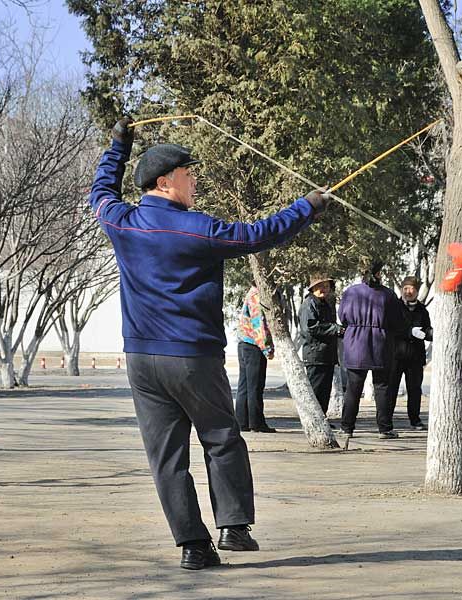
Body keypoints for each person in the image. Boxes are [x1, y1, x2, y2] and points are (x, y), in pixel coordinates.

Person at [89, 118, 330, 570]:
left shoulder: (121, 222)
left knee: (167, 458)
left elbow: (100, 190)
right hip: (193, 358)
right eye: (188, 174)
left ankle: (194, 548)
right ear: (165, 182)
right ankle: (234, 527)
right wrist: (308, 206)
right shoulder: (196, 229)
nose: (194, 180)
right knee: (222, 438)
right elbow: (259, 234)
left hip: (141, 360)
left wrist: (118, 145)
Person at [338, 259, 402, 439]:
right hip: (380, 345)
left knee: (353, 389)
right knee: (382, 388)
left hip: (354, 345)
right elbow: (397, 321)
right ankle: (384, 428)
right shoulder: (388, 295)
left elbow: (343, 316)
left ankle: (347, 428)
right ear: (378, 274)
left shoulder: (350, 292)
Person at [388, 276, 432, 430]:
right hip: (396, 355)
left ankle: (415, 419)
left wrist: (430, 334)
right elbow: (390, 328)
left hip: (415, 357)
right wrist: (409, 332)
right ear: (401, 290)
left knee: (414, 389)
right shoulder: (394, 307)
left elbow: (426, 328)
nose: (408, 292)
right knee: (391, 388)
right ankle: (386, 420)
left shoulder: (422, 310)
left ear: (417, 291)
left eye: (412, 289)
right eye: (405, 288)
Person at [298, 273, 342, 416]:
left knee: (324, 392)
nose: (324, 289)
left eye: (326, 286)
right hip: (315, 356)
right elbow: (311, 327)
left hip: (327, 356)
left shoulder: (325, 303)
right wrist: (334, 329)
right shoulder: (309, 304)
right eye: (320, 286)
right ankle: (315, 420)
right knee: (316, 392)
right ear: (312, 288)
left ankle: (322, 420)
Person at [236, 286, 276, 434]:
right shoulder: (257, 295)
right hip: (254, 345)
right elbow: (259, 323)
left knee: (245, 385)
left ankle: (242, 422)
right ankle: (256, 423)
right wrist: (267, 348)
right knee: (255, 386)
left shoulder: (251, 292)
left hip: (244, 343)